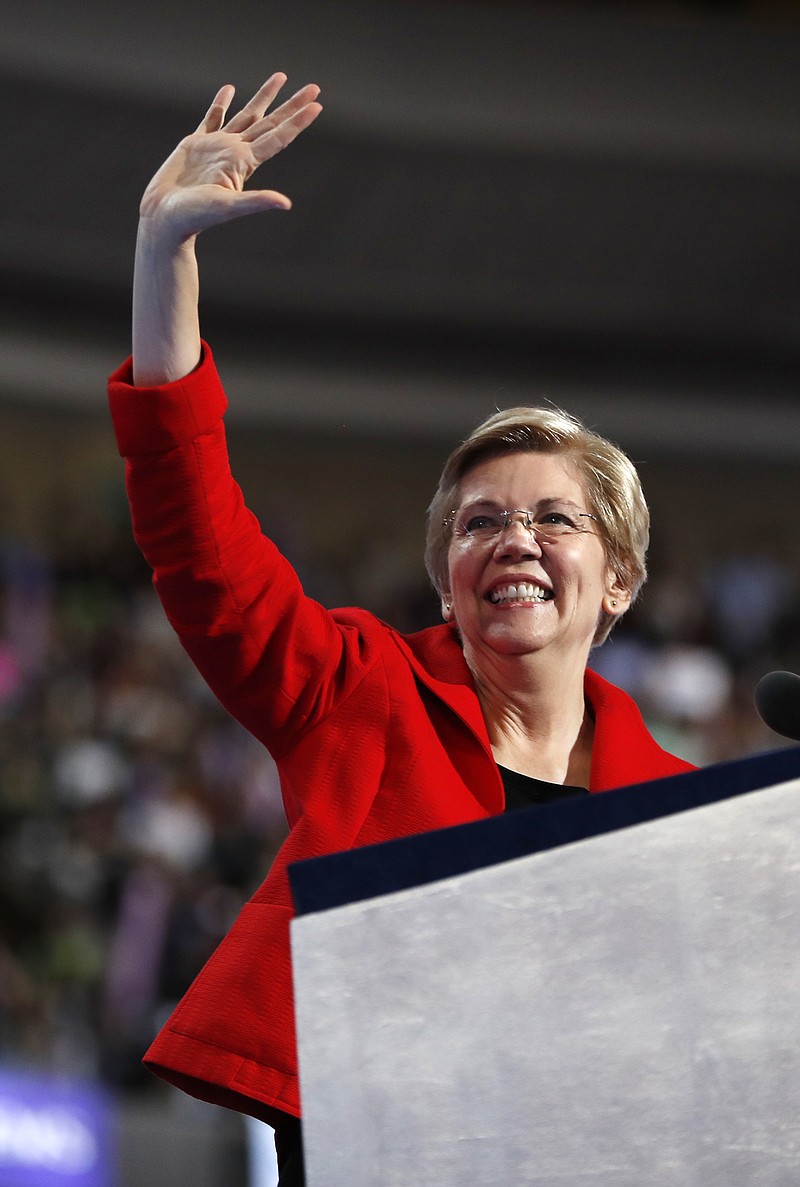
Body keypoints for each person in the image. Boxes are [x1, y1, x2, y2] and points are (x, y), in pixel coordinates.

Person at [108, 74, 696, 1185]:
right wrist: (160, 260)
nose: (514, 539)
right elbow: (199, 542)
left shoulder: (676, 811)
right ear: (443, 579)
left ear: (615, 578)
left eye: (553, 518)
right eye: (480, 523)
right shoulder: (355, 690)